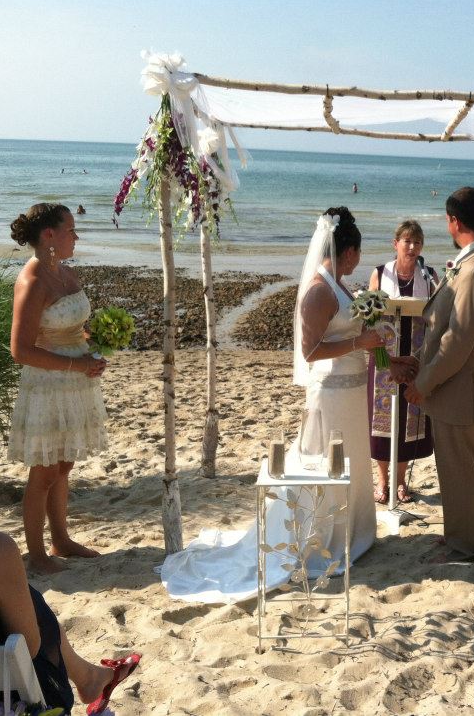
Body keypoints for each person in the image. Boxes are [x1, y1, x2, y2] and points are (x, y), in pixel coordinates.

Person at [160, 207, 383, 603]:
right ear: (347, 251)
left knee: (352, 459)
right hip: (330, 392)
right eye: (357, 252)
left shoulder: (344, 287)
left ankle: (354, 531)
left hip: (351, 391)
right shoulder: (318, 290)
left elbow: (348, 327)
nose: (359, 260)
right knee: (328, 462)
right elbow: (311, 350)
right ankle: (321, 538)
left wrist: (376, 340)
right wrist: (361, 343)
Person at [0, 402, 140, 716]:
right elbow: (29, 648)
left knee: (21, 594)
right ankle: (88, 678)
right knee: (25, 604)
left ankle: (88, 676)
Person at [402, 187, 474, 562]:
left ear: (454, 222)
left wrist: (423, 383)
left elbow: (458, 341)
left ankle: (465, 545)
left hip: (459, 387)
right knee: (452, 465)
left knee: (459, 469)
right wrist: (418, 363)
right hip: (452, 385)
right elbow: (443, 328)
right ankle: (458, 533)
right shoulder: (472, 261)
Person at [8, 203, 108, 574]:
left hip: (76, 381)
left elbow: (73, 328)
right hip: (48, 384)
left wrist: (95, 346)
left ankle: (61, 539)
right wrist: (76, 363)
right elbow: (20, 350)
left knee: (65, 465)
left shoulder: (66, 274)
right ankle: (36, 555)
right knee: (44, 471)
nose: (76, 236)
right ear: (48, 235)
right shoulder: (33, 281)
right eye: (70, 230)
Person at [366, 220, 438, 504]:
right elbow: (369, 321)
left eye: (417, 242)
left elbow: (439, 315)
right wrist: (383, 357)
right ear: (395, 243)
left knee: (410, 420)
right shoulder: (379, 274)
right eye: (407, 241)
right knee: (381, 423)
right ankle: (383, 481)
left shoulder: (429, 275)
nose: (412, 247)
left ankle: (400, 482)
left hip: (415, 358)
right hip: (385, 357)